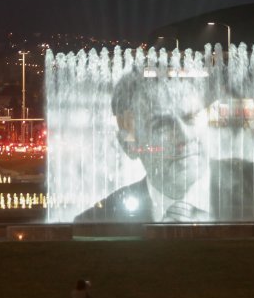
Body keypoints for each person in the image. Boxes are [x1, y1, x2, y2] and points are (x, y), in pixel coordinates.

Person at [75, 68, 212, 223]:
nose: (185, 136)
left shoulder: (243, 192)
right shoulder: (97, 221)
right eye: (162, 126)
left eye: (191, 117)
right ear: (129, 145)